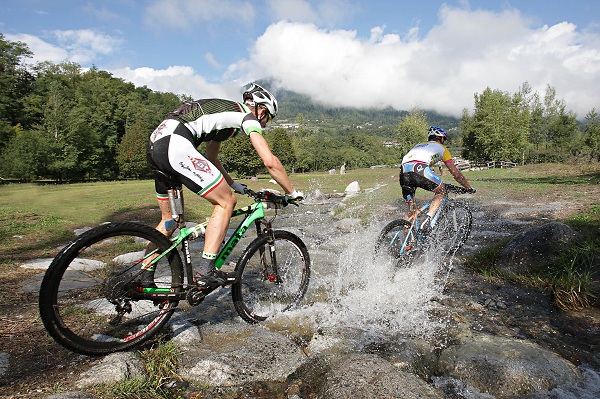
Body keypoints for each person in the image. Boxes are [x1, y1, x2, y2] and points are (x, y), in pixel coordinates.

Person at [144, 83, 303, 289]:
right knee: (226, 202)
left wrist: (233, 183)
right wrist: (291, 192)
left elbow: (212, 158)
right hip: (176, 142)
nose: (264, 125)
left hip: (156, 144)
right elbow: (269, 161)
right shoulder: (247, 117)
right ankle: (206, 271)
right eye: (268, 119)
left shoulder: (224, 118)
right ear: (262, 110)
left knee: (170, 220)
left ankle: (144, 277)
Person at [400, 126, 475, 233]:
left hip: (403, 173)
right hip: (419, 169)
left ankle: (408, 243)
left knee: (410, 211)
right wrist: (468, 187)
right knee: (441, 191)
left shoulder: (418, 146)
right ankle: (428, 220)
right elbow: (456, 174)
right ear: (441, 138)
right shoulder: (442, 149)